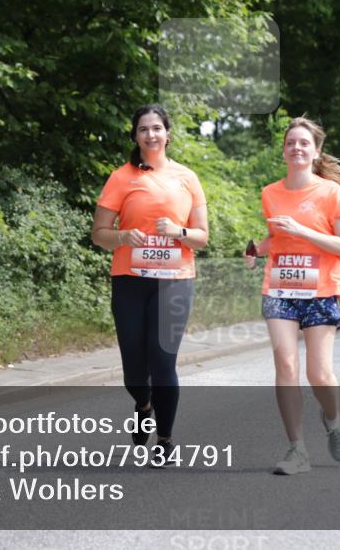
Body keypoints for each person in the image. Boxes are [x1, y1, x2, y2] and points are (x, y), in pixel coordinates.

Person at [91, 104, 208, 466]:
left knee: (163, 362)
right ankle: (143, 405)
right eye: (144, 129)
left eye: (157, 128)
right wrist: (123, 236)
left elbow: (202, 237)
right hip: (129, 280)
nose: (151, 134)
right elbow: (99, 234)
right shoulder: (120, 178)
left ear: (167, 134)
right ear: (136, 136)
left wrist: (180, 232)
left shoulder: (187, 177)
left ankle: (166, 440)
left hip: (175, 282)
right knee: (133, 370)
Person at [244, 117, 340, 475]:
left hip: (321, 288)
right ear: (284, 151)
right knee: (286, 364)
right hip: (280, 286)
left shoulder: (330, 193)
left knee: (319, 374)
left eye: (304, 143)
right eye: (291, 142)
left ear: (316, 151)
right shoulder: (270, 193)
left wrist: (302, 229)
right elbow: (278, 238)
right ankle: (297, 450)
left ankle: (332, 417)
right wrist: (255, 250)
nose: (297, 147)